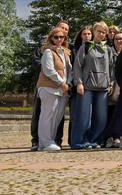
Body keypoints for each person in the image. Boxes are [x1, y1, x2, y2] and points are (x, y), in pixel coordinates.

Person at [69, 22, 114, 150]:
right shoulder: (86, 47)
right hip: (87, 86)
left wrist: (110, 83)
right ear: (94, 31)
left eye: (103, 32)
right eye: (98, 31)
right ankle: (80, 141)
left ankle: (95, 141)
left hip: (103, 87)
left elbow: (111, 68)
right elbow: (77, 66)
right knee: (84, 116)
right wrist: (79, 83)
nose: (101, 34)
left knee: (101, 117)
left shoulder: (108, 49)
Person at [30, 20, 68, 151]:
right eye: (56, 37)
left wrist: (67, 83)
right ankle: (45, 142)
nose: (59, 39)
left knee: (57, 116)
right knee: (47, 115)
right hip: (49, 88)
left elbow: (69, 70)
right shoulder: (47, 51)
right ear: (51, 38)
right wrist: (62, 82)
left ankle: (48, 142)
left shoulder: (65, 52)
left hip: (62, 89)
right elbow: (48, 70)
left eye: (61, 37)